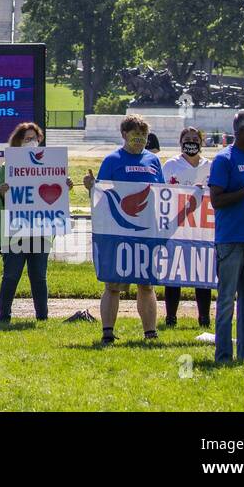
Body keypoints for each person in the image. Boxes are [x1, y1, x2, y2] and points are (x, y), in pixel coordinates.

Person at [82, 114, 161, 344]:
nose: (140, 140)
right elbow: (102, 196)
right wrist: (91, 187)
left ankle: (150, 332)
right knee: (113, 285)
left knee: (146, 284)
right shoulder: (112, 160)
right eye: (136, 135)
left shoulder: (153, 161)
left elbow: (164, 192)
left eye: (144, 136)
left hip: (147, 232)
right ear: (124, 135)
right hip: (118, 231)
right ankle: (108, 331)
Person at [0, 122, 74, 323]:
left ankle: (42, 318)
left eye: (34, 139)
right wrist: (2, 193)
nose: (31, 142)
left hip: (41, 231)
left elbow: (55, 199)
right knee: (11, 275)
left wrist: (66, 187)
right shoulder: (6, 167)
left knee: (39, 277)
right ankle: (4, 317)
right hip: (14, 232)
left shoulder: (51, 166)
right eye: (26, 139)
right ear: (18, 142)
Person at [208, 108, 244, 362]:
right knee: (226, 302)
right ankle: (223, 355)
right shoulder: (224, 159)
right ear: (241, 130)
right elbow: (216, 200)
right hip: (230, 240)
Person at [161, 127, 213, 328]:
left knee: (202, 272)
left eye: (195, 139)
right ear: (180, 142)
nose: (191, 142)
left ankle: (204, 318)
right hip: (177, 226)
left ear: (201, 142)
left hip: (202, 228)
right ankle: (171, 317)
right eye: (187, 139)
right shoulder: (171, 165)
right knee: (174, 272)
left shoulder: (210, 166)